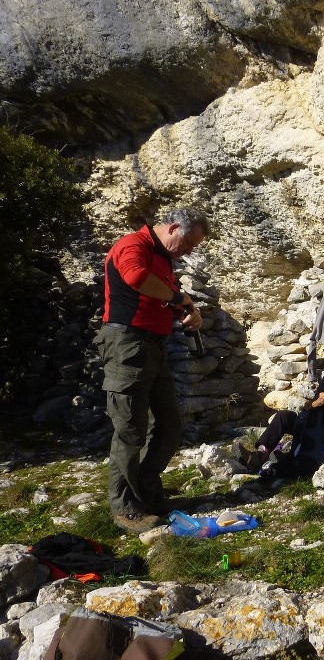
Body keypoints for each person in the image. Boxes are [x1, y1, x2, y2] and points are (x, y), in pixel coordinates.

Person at [96, 207, 209, 533]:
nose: (190, 250)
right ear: (173, 227)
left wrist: (185, 311)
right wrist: (179, 297)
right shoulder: (133, 245)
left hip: (152, 347)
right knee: (130, 429)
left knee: (169, 423)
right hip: (126, 344)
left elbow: (163, 299)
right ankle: (126, 509)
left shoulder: (162, 259)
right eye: (189, 242)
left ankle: (148, 494)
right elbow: (135, 278)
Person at [235, 334, 324, 472]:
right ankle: (259, 455)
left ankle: (283, 459)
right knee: (283, 416)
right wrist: (319, 401)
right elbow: (311, 405)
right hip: (315, 421)